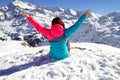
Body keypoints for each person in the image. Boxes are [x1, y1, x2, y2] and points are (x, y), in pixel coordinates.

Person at [22, 10, 91, 60]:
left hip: (53, 56)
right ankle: (65, 51)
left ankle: (56, 52)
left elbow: (37, 26)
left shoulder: (48, 33)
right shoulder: (66, 32)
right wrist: (84, 15)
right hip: (64, 55)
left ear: (53, 24)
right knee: (67, 40)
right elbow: (76, 26)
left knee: (63, 41)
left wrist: (28, 17)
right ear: (61, 24)